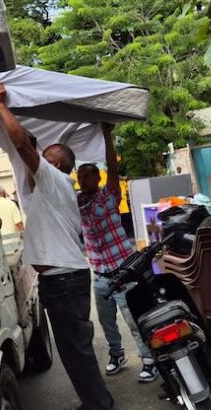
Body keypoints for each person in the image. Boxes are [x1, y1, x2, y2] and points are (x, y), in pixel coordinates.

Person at [0, 83, 114, 410]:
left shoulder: (55, 180)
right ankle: (94, 402)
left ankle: (99, 405)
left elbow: (20, 144)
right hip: (61, 280)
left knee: (77, 351)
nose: (37, 161)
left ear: (56, 166)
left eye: (44, 158)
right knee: (74, 351)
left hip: (64, 281)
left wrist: (1, 106)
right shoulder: (49, 192)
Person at [77, 124, 157, 383]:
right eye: (79, 177)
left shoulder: (109, 195)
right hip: (99, 274)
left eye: (86, 176)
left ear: (97, 178)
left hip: (124, 269)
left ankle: (148, 359)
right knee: (106, 321)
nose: (82, 181)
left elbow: (113, 167)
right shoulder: (78, 202)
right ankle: (117, 354)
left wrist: (106, 135)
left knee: (134, 319)